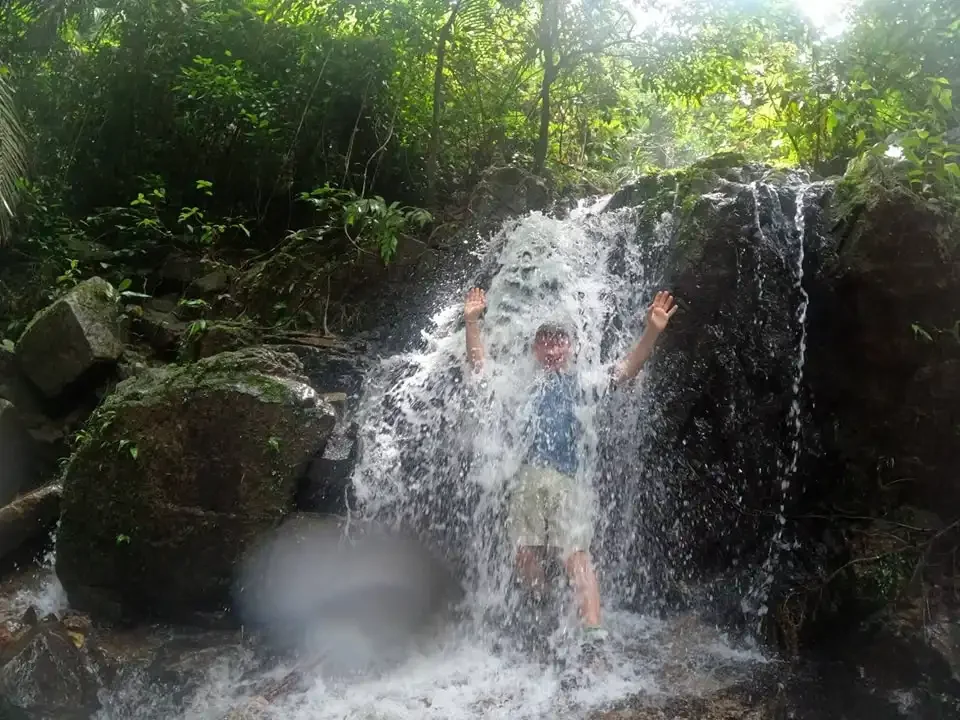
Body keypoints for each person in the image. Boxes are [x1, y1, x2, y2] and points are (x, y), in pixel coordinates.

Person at [463, 287, 678, 654]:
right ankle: (543, 606)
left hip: (568, 481)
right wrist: (472, 323)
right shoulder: (521, 385)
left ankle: (593, 633)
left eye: (558, 343)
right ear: (535, 349)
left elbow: (626, 370)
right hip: (528, 478)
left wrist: (653, 331)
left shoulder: (582, 383)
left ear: (570, 348)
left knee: (576, 553)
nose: (551, 350)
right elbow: (481, 368)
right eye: (545, 344)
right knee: (523, 554)